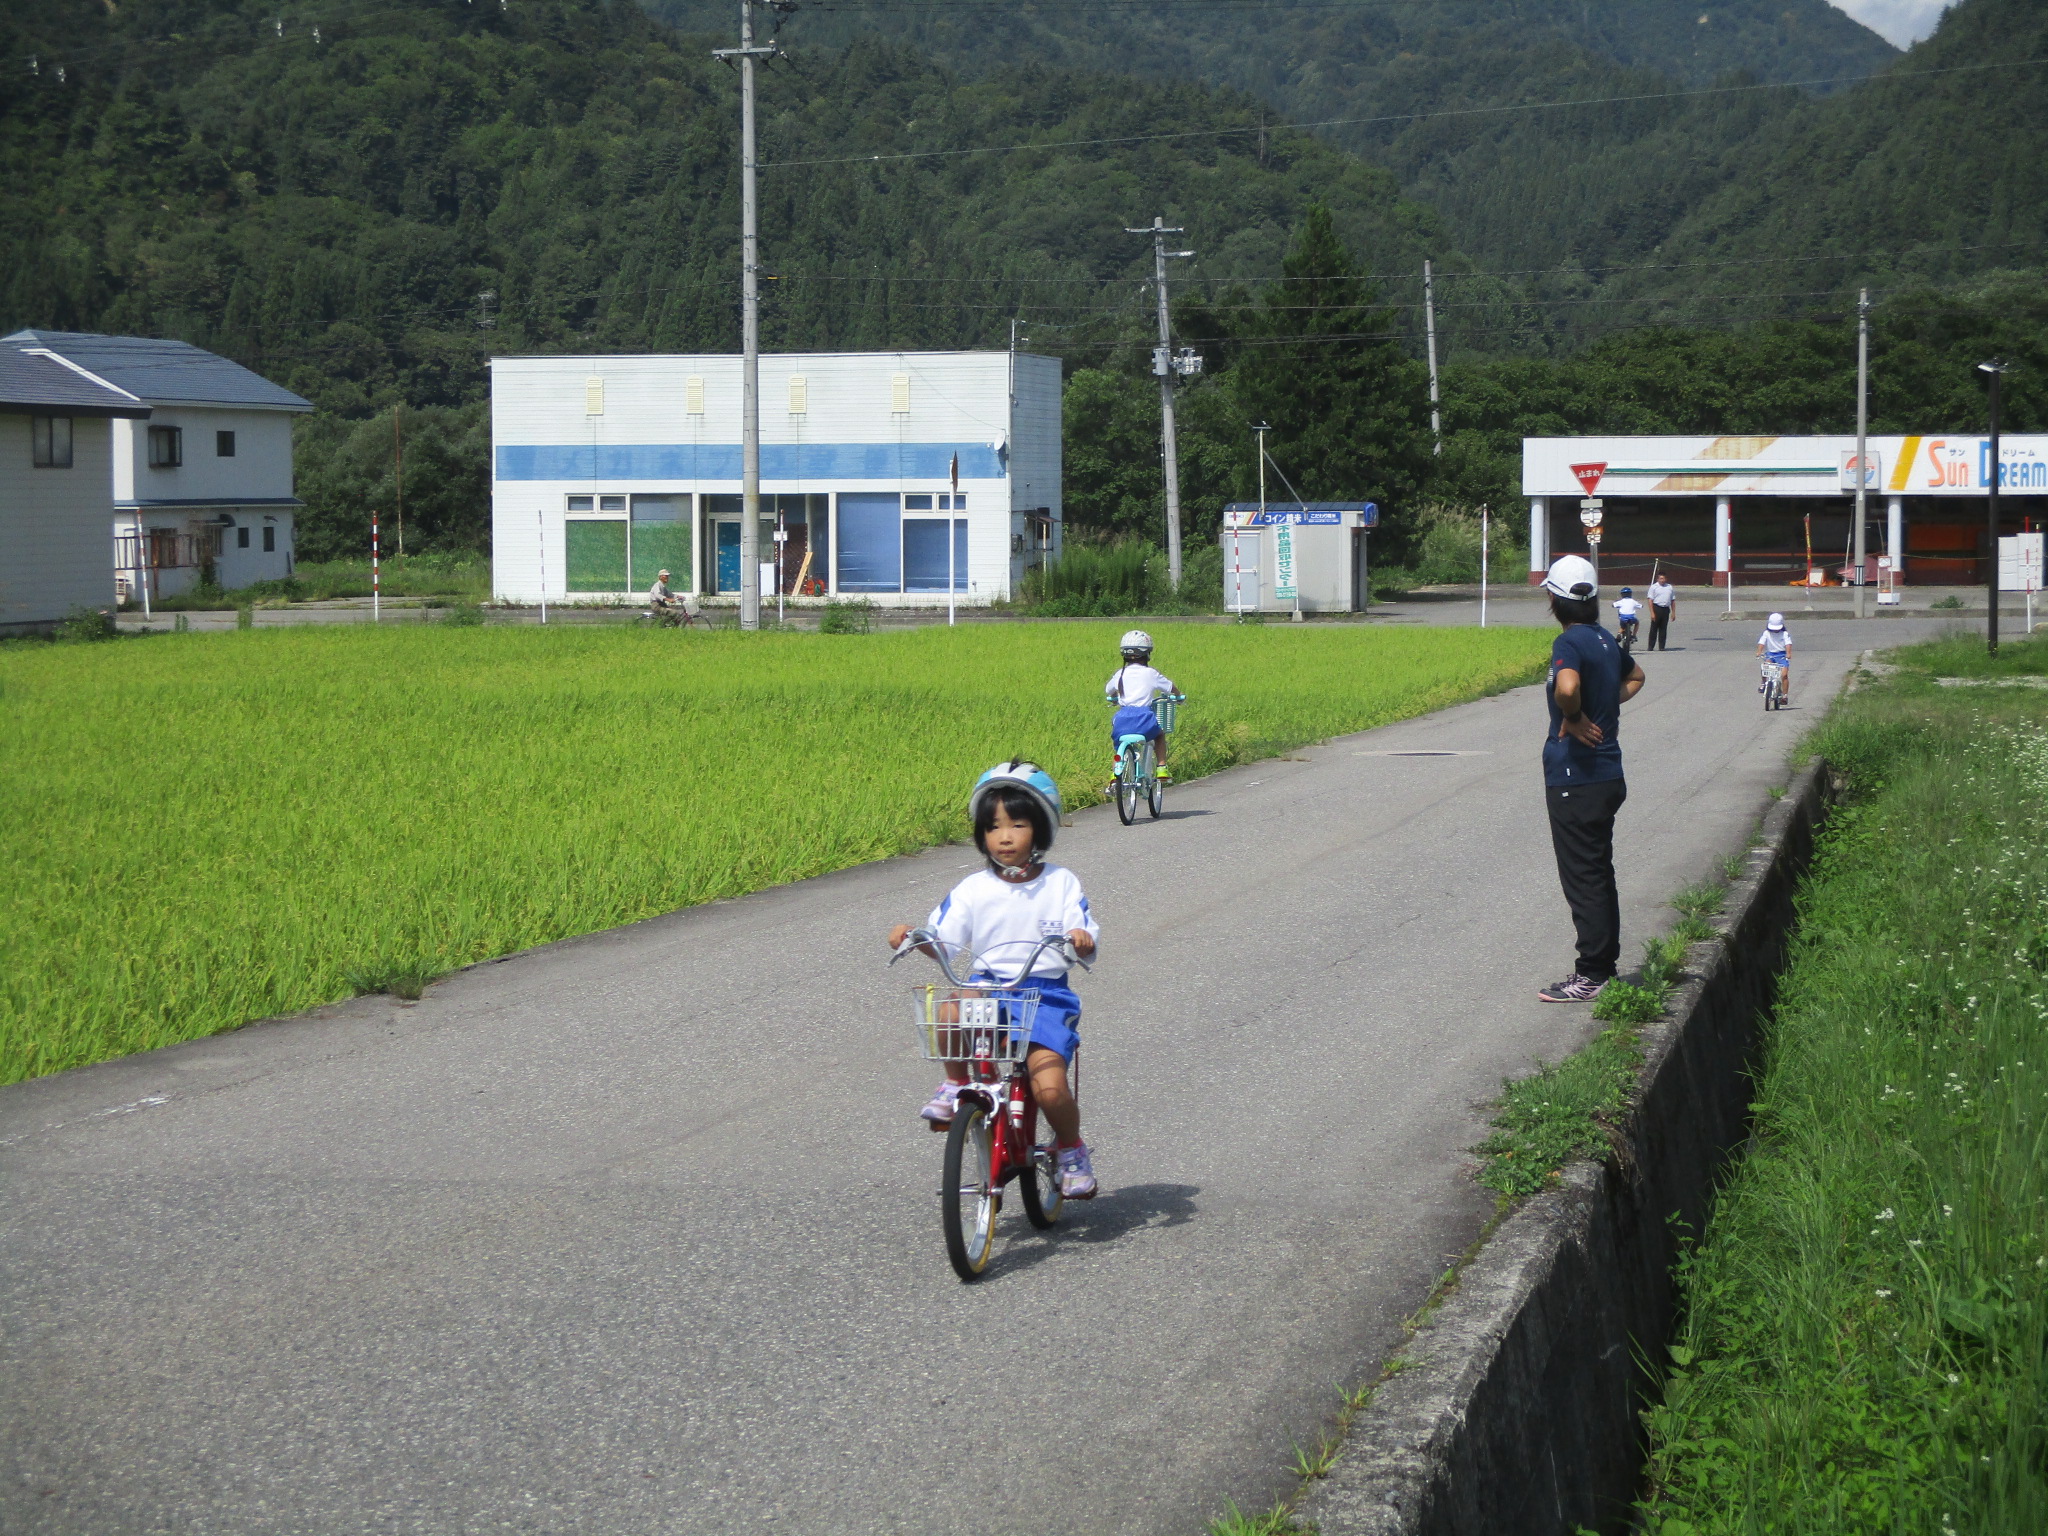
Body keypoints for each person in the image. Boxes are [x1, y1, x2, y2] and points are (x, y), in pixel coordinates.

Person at [888, 762, 1102, 1199]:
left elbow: (1082, 929)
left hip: (1044, 994)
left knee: (1051, 1089)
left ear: (1040, 830)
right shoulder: (972, 888)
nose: (1004, 837)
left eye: (1017, 824)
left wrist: (1079, 940)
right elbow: (943, 939)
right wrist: (916, 938)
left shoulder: (1061, 882)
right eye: (993, 827)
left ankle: (1071, 1149)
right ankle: (956, 1083)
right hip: (989, 986)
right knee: (948, 1006)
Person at [1536, 555, 1646, 1004]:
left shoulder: (1571, 643)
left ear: (1554, 600)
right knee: (1598, 874)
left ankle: (1593, 973)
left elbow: (1565, 688)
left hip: (1575, 778)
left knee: (1583, 878)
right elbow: (1637, 676)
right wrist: (1606, 706)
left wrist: (1577, 716)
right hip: (1607, 775)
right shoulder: (1603, 639)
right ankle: (1602, 967)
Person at [1105, 629, 1177, 784]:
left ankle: (1115, 773)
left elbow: (1109, 690)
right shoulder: (1151, 673)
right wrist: (1178, 696)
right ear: (1147, 654)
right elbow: (1171, 687)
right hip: (1145, 719)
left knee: (1119, 745)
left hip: (1122, 720)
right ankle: (1162, 767)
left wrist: (1113, 698)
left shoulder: (1120, 674)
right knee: (1159, 734)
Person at [1756, 613, 1793, 705]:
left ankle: (1784, 696)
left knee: (1784, 675)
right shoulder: (1766, 633)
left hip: (1781, 656)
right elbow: (1762, 642)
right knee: (1765, 666)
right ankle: (1763, 683)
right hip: (1770, 655)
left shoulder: (1784, 634)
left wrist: (1788, 653)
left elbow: (1788, 644)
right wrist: (1759, 652)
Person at [1646, 574, 1676, 651]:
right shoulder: (1654, 587)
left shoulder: (1669, 587)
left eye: (1663, 578)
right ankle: (1651, 646)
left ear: (1666, 579)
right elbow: (1650, 600)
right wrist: (1652, 612)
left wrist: (1673, 613)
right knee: (1654, 628)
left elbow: (1673, 600)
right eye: (1660, 578)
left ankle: (1662, 646)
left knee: (1663, 628)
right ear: (1658, 579)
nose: (1662, 580)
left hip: (1665, 609)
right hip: (1657, 608)